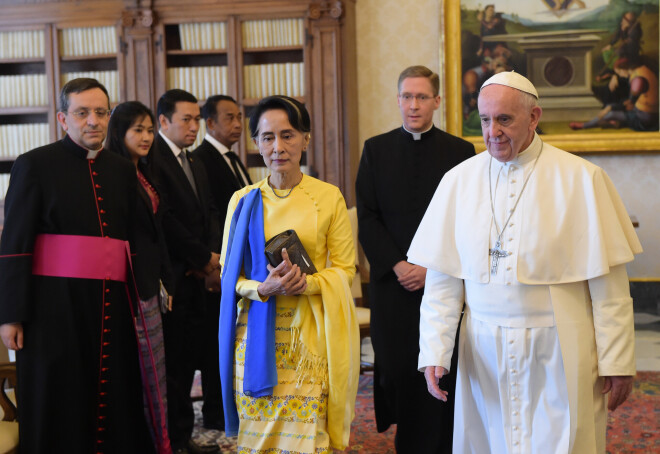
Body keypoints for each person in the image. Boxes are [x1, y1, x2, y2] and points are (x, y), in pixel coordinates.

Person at [410, 71, 641, 453]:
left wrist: (616, 360)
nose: (493, 132)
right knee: (488, 441)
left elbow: (609, 288)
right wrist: (434, 351)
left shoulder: (582, 179)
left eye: (505, 119)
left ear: (533, 117)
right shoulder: (458, 181)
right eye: (485, 120)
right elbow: (444, 281)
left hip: (559, 346)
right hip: (482, 347)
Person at [0, 78, 157, 452]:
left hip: (111, 305)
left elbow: (137, 238)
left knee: (113, 393)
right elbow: (14, 245)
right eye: (82, 112)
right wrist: (10, 315)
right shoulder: (34, 164)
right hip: (52, 309)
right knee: (61, 396)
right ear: (62, 118)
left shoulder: (121, 169)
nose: (93, 121)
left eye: (101, 112)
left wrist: (147, 295)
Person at [218, 95, 360, 453]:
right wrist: (262, 288)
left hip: (310, 339)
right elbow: (228, 277)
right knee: (259, 435)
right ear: (256, 144)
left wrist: (307, 283)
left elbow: (346, 269)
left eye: (288, 135)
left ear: (305, 139)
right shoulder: (242, 200)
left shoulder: (328, 198)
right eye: (267, 137)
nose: (278, 147)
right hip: (254, 340)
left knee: (307, 437)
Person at [355, 65, 475, 453]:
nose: (413, 105)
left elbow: (466, 219)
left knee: (442, 366)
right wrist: (397, 264)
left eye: (422, 97)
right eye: (406, 96)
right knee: (397, 367)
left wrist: (431, 267)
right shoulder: (376, 149)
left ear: (437, 101)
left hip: (441, 283)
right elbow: (367, 215)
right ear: (398, 100)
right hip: (393, 286)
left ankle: (444, 443)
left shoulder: (461, 152)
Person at [106, 101, 177, 452]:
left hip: (151, 284)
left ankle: (159, 439)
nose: (147, 136)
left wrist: (166, 278)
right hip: (126, 286)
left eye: (150, 129)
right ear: (119, 133)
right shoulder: (112, 174)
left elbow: (157, 231)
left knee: (157, 371)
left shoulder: (147, 173)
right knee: (139, 371)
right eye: (138, 130)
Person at [154, 89, 221, 454]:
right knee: (175, 367)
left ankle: (184, 435)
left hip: (199, 272)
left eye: (197, 119)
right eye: (187, 119)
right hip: (177, 275)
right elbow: (166, 219)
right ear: (164, 121)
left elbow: (208, 210)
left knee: (195, 355)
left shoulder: (195, 161)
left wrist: (212, 255)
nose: (195, 126)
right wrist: (200, 259)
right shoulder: (155, 160)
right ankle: (176, 439)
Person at [192, 95, 252, 432]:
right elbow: (214, 218)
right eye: (229, 117)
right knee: (215, 345)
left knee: (230, 342)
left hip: (235, 265)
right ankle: (216, 412)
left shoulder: (232, 158)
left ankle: (228, 406)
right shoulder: (203, 158)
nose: (238, 124)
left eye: (240, 117)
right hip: (215, 267)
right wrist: (215, 265)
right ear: (210, 123)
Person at [571, 58, 658, 132]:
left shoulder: (637, 80)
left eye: (619, 72)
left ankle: (584, 126)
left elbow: (629, 104)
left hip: (644, 119)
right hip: (647, 113)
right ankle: (614, 123)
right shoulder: (641, 70)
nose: (619, 75)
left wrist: (610, 108)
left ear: (624, 69)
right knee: (612, 107)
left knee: (611, 114)